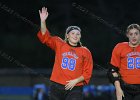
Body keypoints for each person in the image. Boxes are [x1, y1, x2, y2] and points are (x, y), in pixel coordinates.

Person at [37, 7, 93, 100]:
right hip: (57, 86)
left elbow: (87, 73)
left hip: (75, 87)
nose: (75, 35)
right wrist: (43, 21)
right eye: (73, 33)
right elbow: (45, 37)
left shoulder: (85, 51)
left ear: (80, 37)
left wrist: (75, 81)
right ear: (67, 35)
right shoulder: (59, 44)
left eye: (78, 34)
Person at [108, 24, 140, 100]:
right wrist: (118, 89)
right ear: (127, 35)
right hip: (125, 87)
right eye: (131, 34)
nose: (133, 36)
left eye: (136, 33)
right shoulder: (120, 47)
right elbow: (112, 71)